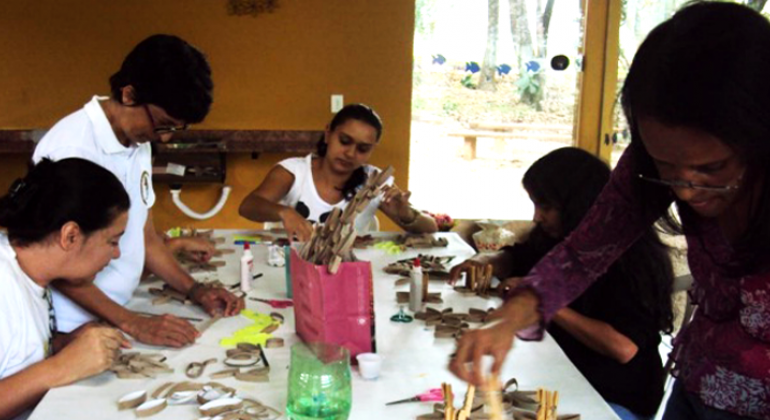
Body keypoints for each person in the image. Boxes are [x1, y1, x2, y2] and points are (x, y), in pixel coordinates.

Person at [450, 3, 770, 419]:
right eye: (665, 167)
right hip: (699, 380)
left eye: (712, 170)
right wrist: (510, 318)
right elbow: (582, 253)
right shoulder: (647, 163)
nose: (685, 193)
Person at [32, 34, 243, 349]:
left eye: (176, 128)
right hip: (70, 327)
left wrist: (195, 290)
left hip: (117, 315)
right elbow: (52, 262)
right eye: (163, 124)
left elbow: (145, 238)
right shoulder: (72, 149)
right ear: (129, 95)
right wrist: (134, 323)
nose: (167, 138)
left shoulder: (138, 139)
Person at [450, 148, 674, 420]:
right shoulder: (558, 238)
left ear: (578, 204)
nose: (536, 217)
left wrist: (547, 301)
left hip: (613, 399)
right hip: (559, 376)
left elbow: (622, 347)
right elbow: (519, 256)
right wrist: (486, 260)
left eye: (545, 206)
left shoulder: (632, 260)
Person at [0, 159, 130, 420]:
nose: (117, 254)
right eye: (112, 241)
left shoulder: (32, 274)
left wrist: (64, 344)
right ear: (70, 235)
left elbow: (12, 354)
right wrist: (62, 366)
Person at [238, 104, 438, 240]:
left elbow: (431, 229)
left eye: (362, 149)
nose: (350, 153)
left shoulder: (374, 181)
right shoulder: (293, 172)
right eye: (344, 141)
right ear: (328, 134)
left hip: (348, 273)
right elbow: (248, 206)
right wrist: (284, 212)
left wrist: (406, 214)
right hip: (294, 269)